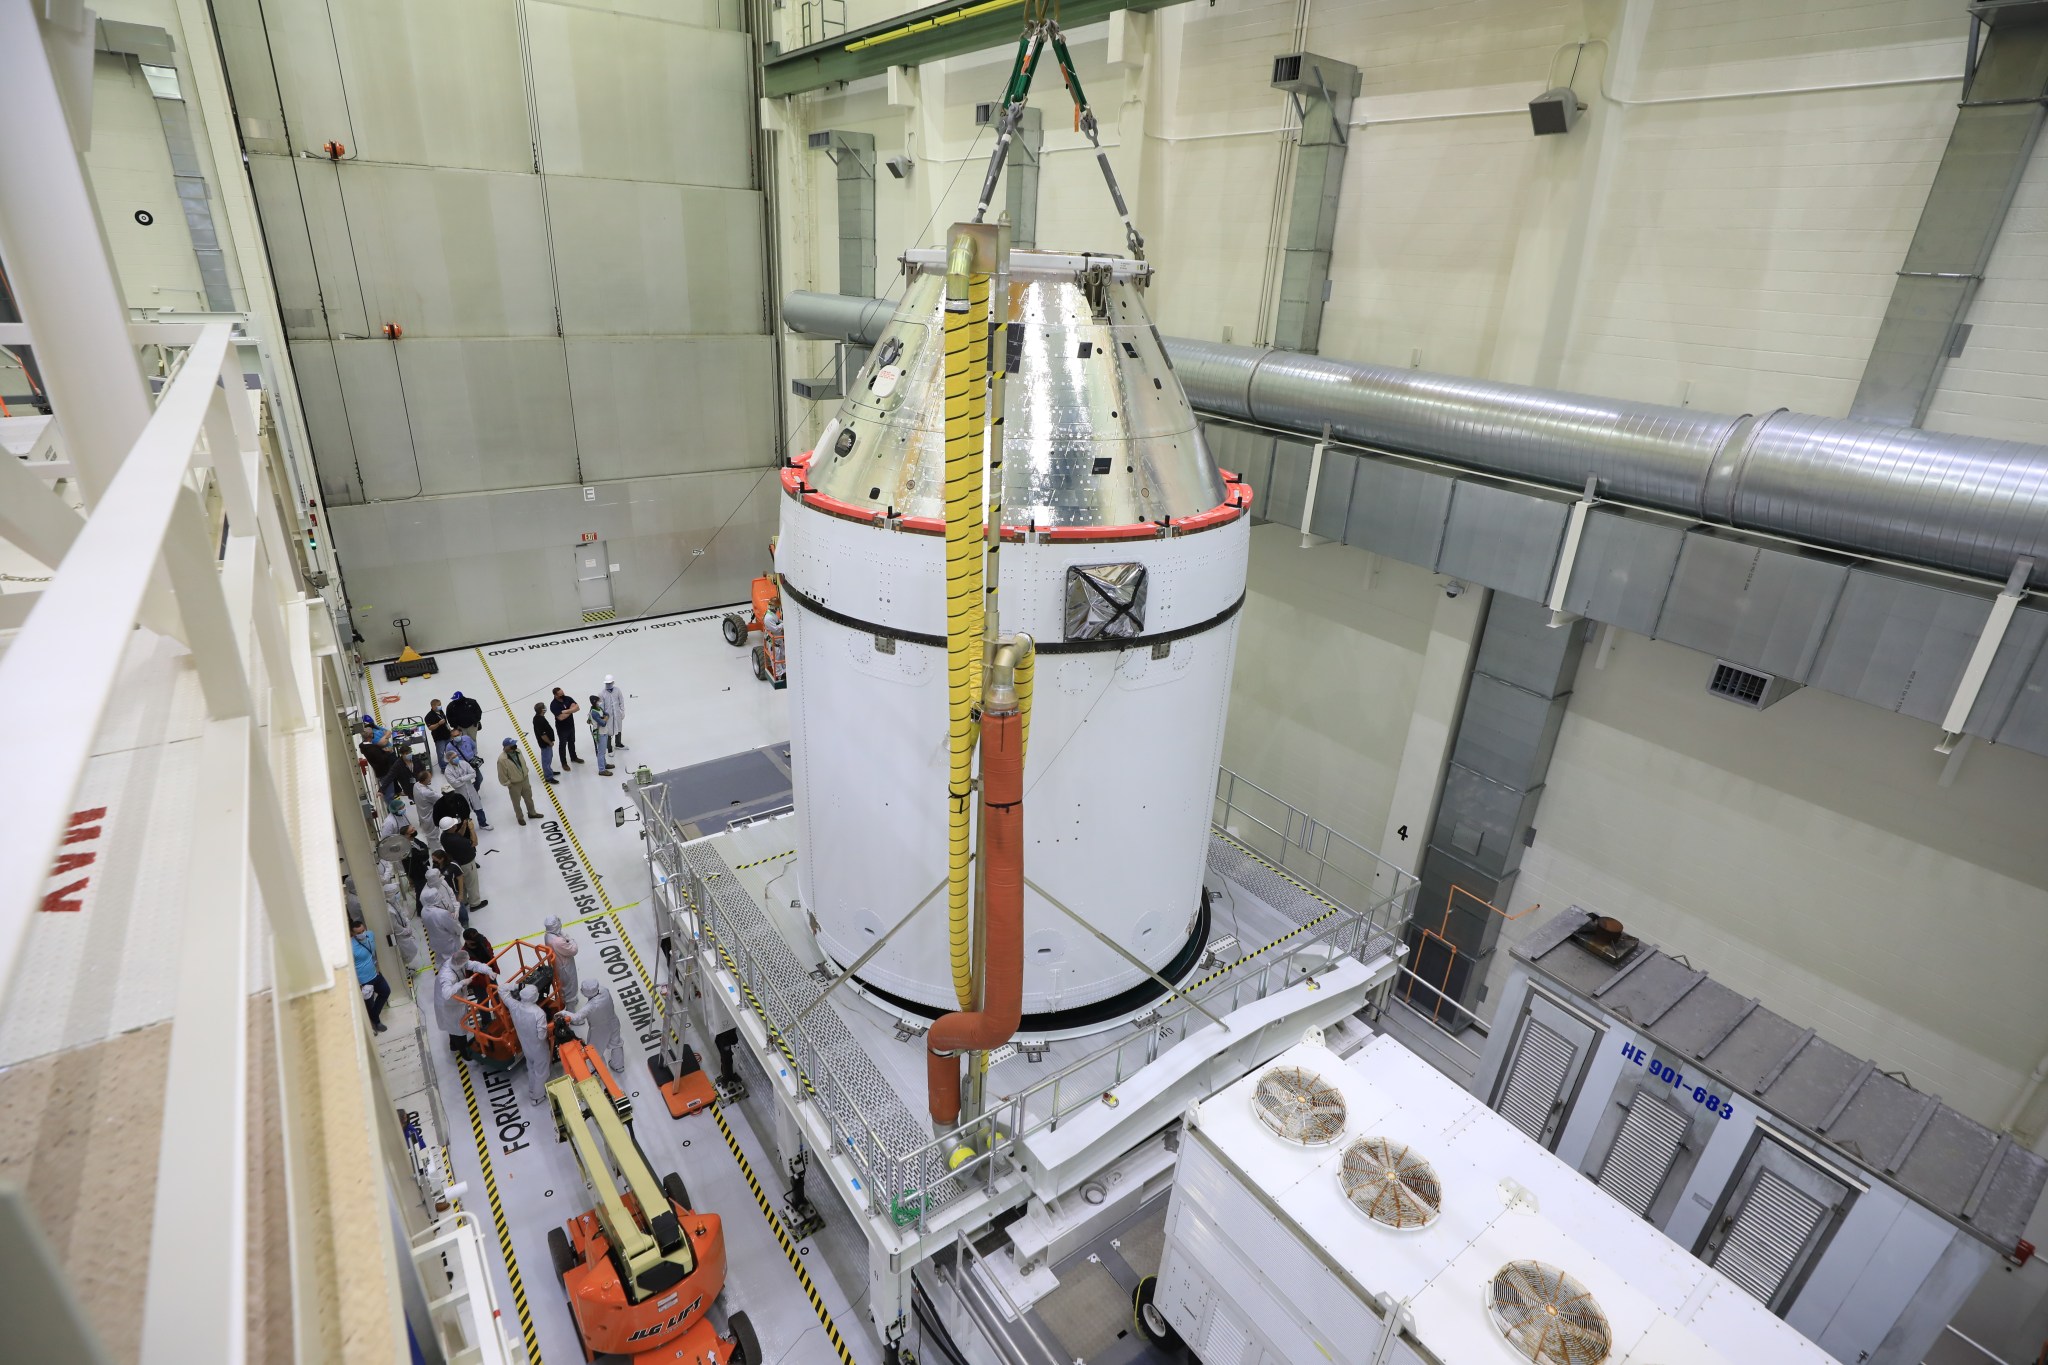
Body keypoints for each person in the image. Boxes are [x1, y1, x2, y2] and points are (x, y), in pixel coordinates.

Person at [565, 978, 625, 1074]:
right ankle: (618, 1065)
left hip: (599, 1030)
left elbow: (576, 1017)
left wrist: (563, 1013)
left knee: (595, 1052)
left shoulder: (591, 1006)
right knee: (616, 1043)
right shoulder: (604, 990)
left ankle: (600, 1071)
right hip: (613, 1022)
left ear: (585, 993)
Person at [507, 983, 553, 1104]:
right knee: (541, 1073)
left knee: (531, 1068)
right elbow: (542, 1036)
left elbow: (502, 990)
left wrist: (516, 986)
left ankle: (532, 1090)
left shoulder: (514, 1006)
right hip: (539, 1049)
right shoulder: (539, 1013)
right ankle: (537, 1097)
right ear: (535, 997)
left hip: (526, 1047)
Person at [351, 919, 390, 1034]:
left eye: (363, 931)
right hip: (364, 981)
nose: (362, 934)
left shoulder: (370, 935)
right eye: (358, 933)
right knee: (369, 1003)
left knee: (386, 991)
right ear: (353, 934)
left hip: (376, 974)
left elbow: (373, 952)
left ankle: (371, 1018)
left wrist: (377, 966)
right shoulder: (350, 947)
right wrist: (358, 984)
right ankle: (376, 1023)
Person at [439, 817, 485, 913]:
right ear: (451, 828)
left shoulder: (444, 836)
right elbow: (474, 842)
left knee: (462, 884)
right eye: (454, 825)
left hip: (457, 864)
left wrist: (464, 826)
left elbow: (459, 835)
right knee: (472, 883)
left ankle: (463, 901)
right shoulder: (458, 841)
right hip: (467, 863)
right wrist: (471, 829)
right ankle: (475, 903)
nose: (456, 825)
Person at [358, 728, 407, 808]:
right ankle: (394, 809)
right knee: (389, 794)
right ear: (370, 735)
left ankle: (395, 801)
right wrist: (387, 752)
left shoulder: (364, 746)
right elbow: (381, 760)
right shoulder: (372, 749)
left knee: (390, 791)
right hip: (384, 773)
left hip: (383, 771)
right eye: (372, 733)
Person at [496, 738, 541, 824]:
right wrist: (508, 783)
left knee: (529, 798)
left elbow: (522, 762)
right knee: (516, 802)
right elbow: (502, 775)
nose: (515, 746)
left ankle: (532, 813)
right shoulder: (502, 759)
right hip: (514, 784)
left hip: (525, 779)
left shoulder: (518, 751)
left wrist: (526, 772)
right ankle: (520, 818)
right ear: (506, 747)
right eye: (512, 745)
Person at [543, 915, 580, 999]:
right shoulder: (558, 941)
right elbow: (573, 950)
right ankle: (571, 1004)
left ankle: (566, 999)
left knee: (563, 985)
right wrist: (570, 939)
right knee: (570, 985)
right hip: (565, 966)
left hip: (558, 964)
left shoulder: (548, 935)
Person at [421, 892, 463, 964]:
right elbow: (453, 927)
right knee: (456, 961)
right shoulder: (442, 913)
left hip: (435, 942)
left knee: (442, 960)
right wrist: (458, 928)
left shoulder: (424, 910)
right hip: (448, 943)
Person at [549, 688, 583, 767]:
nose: (563, 695)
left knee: (572, 742)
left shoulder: (567, 698)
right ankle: (564, 763)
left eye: (563, 693)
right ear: (555, 695)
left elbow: (577, 708)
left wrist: (565, 711)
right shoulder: (553, 705)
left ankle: (573, 757)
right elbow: (561, 718)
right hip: (562, 729)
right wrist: (571, 710)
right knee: (563, 745)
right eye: (560, 694)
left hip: (571, 726)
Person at [587, 695, 616, 776]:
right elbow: (603, 723)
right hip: (600, 733)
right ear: (594, 702)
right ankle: (602, 770)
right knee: (601, 752)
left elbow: (606, 714)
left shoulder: (598, 708)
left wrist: (604, 717)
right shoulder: (594, 712)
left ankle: (604, 764)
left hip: (604, 732)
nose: (599, 702)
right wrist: (605, 718)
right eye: (597, 701)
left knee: (603, 751)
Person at [530, 703, 560, 783]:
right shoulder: (539, 720)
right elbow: (543, 735)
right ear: (541, 710)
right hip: (545, 744)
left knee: (549, 758)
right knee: (546, 760)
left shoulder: (539, 717)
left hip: (547, 743)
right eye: (544, 707)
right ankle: (548, 777)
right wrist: (550, 742)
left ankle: (549, 771)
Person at [602, 676, 627, 751]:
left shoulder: (617, 690)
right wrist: (603, 717)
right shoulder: (602, 693)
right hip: (608, 716)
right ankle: (609, 747)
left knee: (619, 729)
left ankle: (618, 744)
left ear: (613, 682)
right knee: (609, 731)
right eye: (607, 683)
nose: (608, 684)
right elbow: (601, 706)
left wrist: (622, 711)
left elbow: (621, 701)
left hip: (617, 714)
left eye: (610, 683)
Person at [423, 699, 451, 768]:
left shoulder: (441, 712)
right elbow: (430, 727)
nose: (440, 706)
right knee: (440, 753)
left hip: (447, 735)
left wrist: (450, 731)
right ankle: (443, 767)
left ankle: (451, 763)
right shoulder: (428, 716)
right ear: (432, 706)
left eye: (440, 704)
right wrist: (438, 723)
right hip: (439, 737)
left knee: (449, 750)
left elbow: (446, 723)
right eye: (438, 705)